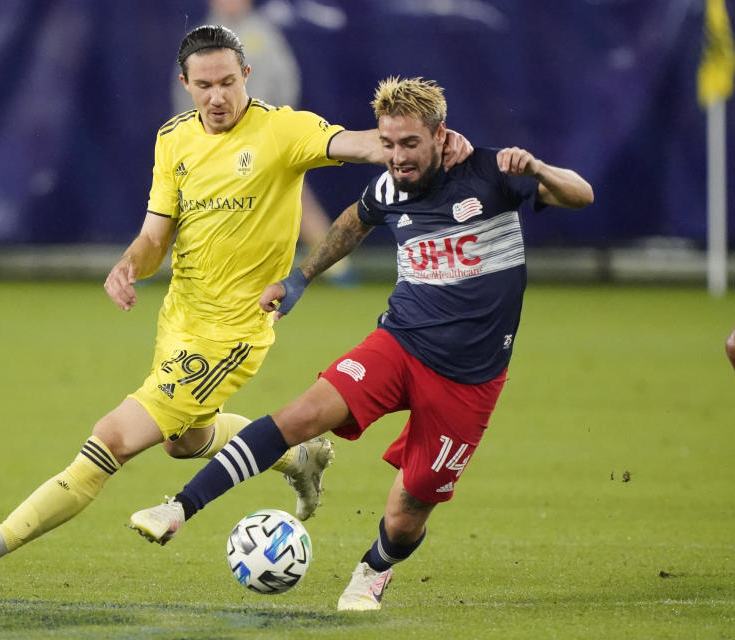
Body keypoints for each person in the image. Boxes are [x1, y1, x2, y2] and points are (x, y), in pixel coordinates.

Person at [0, 28, 472, 589]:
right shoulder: (174, 140)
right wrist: (127, 266)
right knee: (181, 441)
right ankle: (298, 454)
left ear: (246, 78)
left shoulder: (282, 130)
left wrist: (430, 142)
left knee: (111, 438)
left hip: (233, 331)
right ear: (184, 84)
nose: (218, 97)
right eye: (206, 85)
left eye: (229, 83)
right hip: (180, 319)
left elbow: (363, 143)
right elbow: (153, 237)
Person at [129, 76, 594, 611]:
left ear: (441, 135)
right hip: (398, 345)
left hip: (469, 378)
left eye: (410, 144)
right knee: (302, 414)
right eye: (388, 144)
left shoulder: (491, 173)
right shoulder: (389, 186)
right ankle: (179, 509)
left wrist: (535, 166)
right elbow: (357, 220)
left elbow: (582, 194)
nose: (396, 158)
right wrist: (303, 276)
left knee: (408, 509)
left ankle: (374, 569)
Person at [173, 0, 357, 284]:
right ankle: (155, 262)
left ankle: (338, 269)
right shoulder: (199, 37)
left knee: (297, 196)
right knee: (183, 197)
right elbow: (184, 93)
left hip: (262, 136)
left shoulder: (263, 34)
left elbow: (286, 80)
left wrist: (276, 126)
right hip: (214, 140)